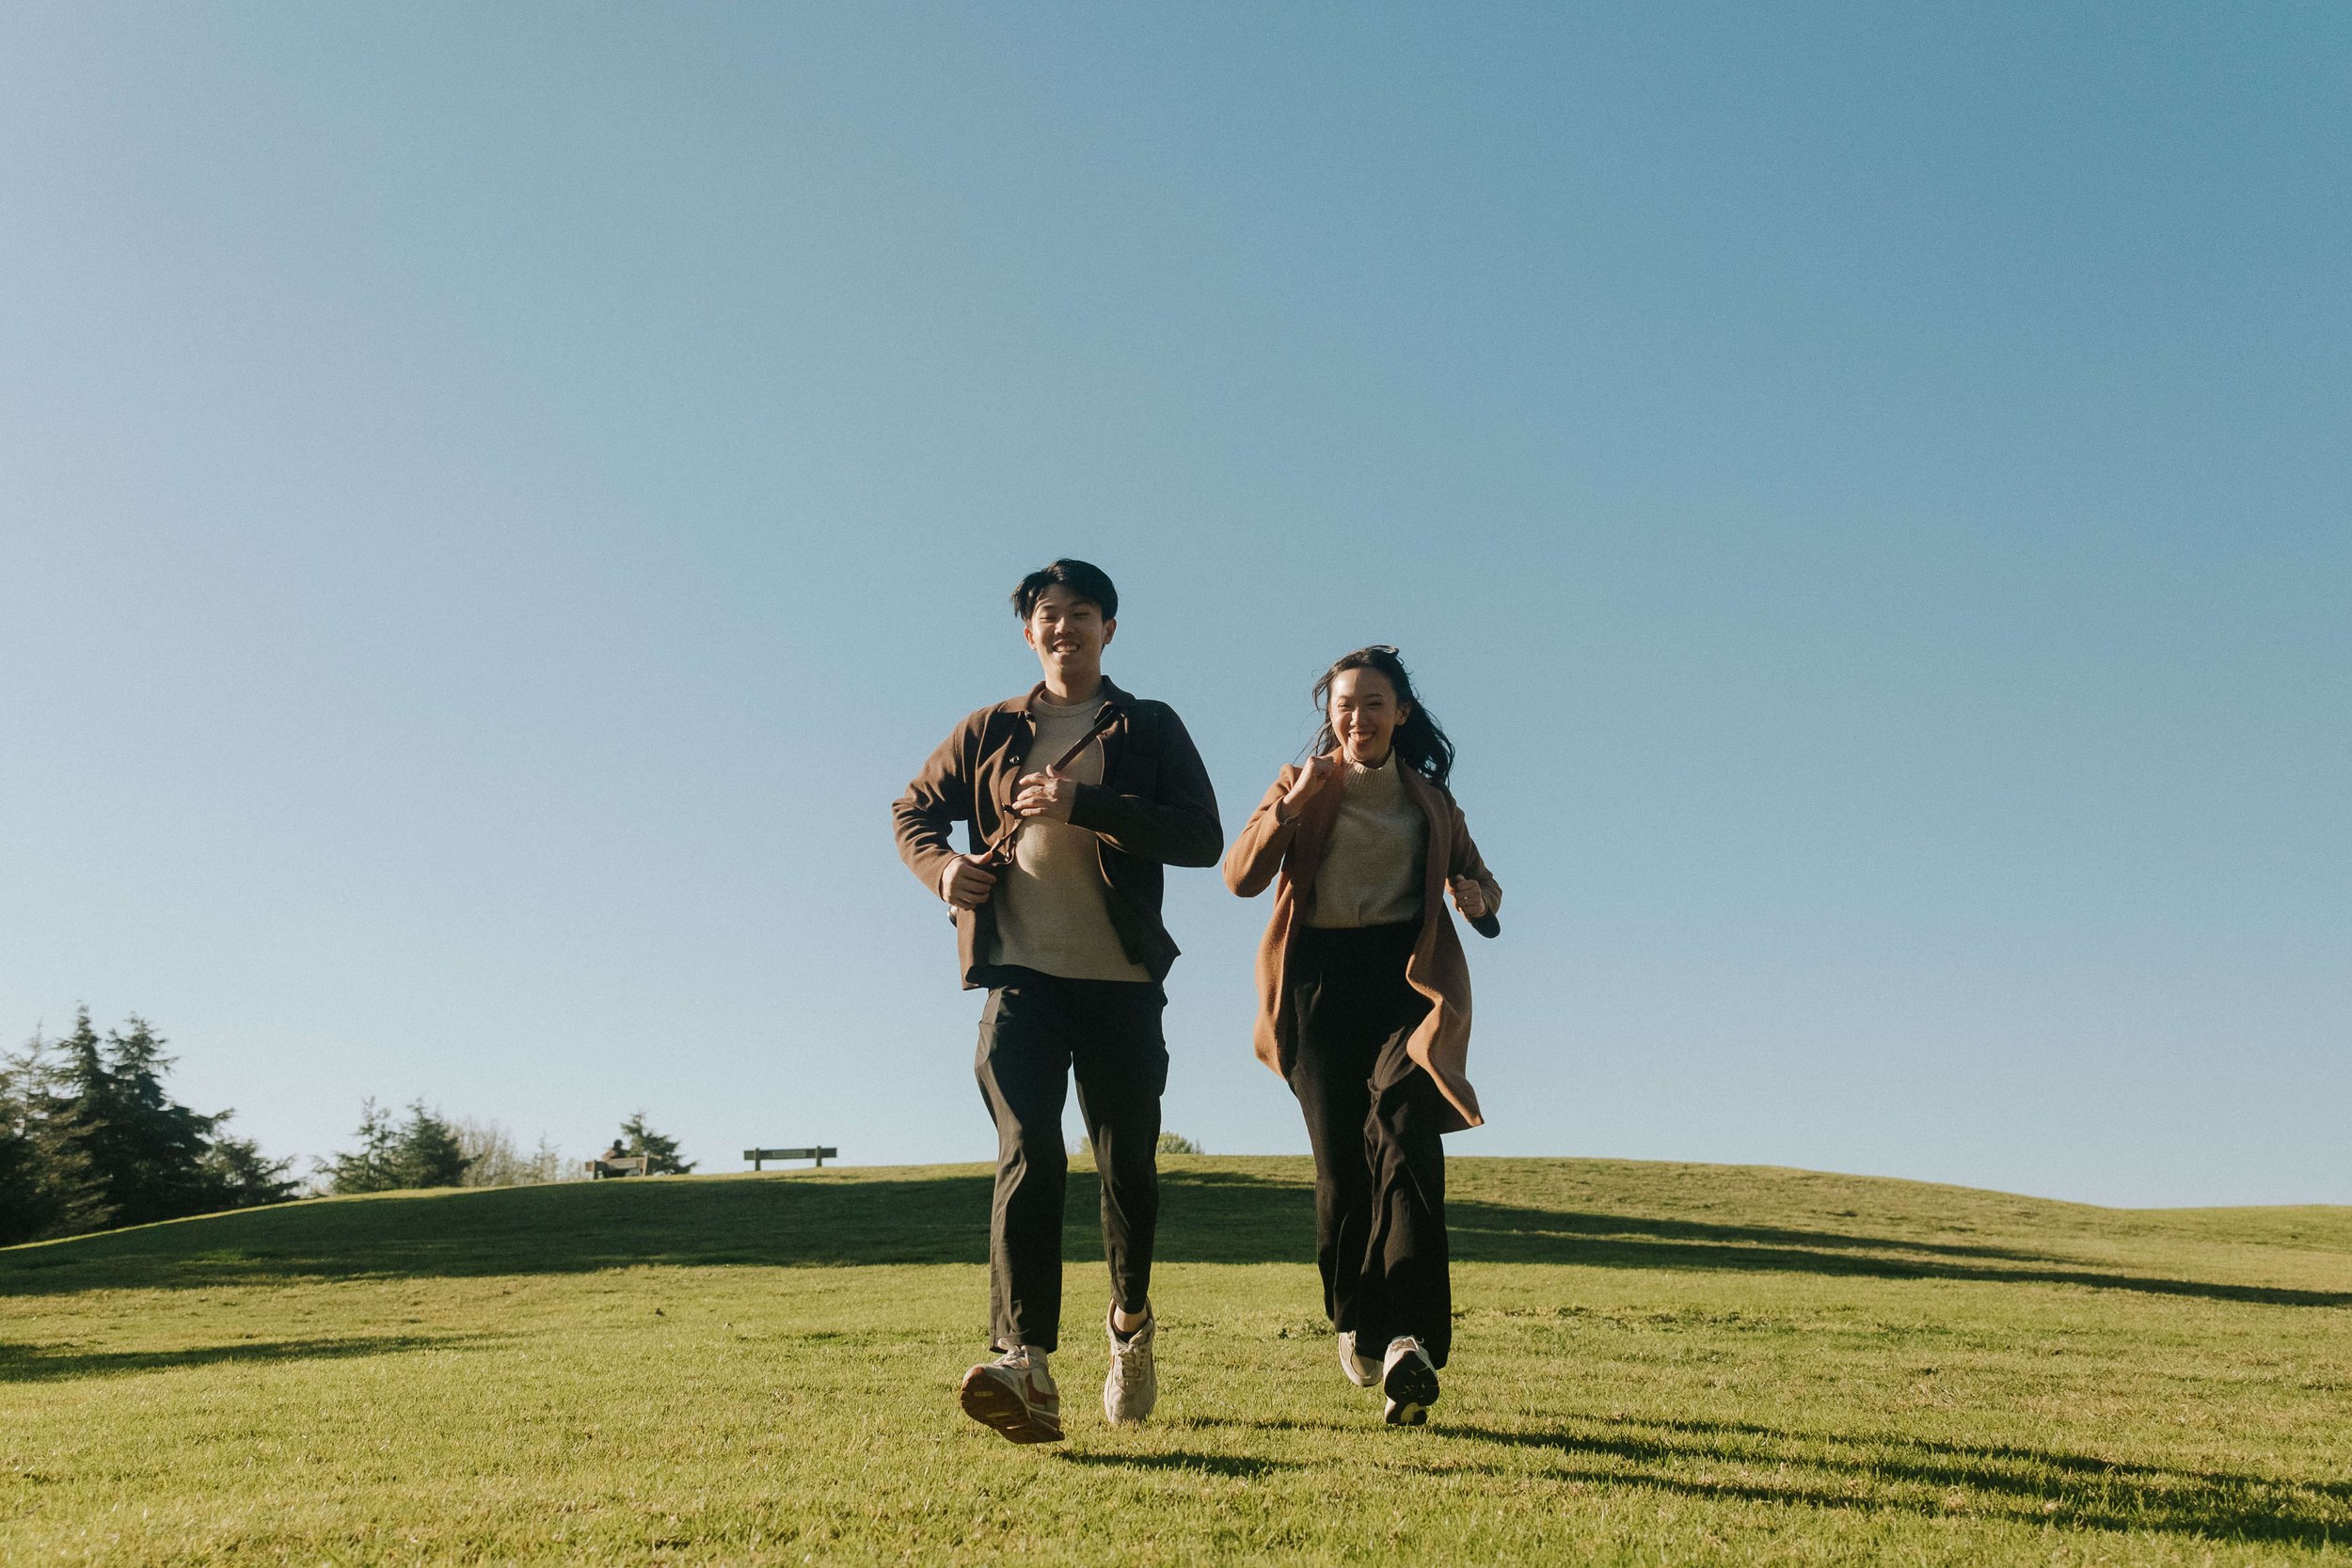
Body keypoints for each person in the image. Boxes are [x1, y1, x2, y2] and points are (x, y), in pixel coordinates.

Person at [892, 559, 1222, 1444]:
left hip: (1121, 983)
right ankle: (1024, 1360)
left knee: (1127, 1171)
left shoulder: (1150, 724)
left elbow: (1201, 836)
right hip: (1019, 978)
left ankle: (1129, 1323)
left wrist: (1087, 803)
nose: (1063, 626)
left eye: (1081, 613)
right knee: (1028, 1146)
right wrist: (944, 870)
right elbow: (913, 811)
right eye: (1048, 613)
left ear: (1109, 629)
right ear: (1028, 630)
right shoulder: (989, 728)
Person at [1223, 645, 1501, 1426]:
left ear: (1400, 713)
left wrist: (1478, 899)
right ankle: (1355, 1315)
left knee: (1408, 1136)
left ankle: (1409, 1338)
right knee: (1343, 1171)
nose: (1357, 717)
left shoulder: (1431, 801)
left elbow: (1483, 883)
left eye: (1374, 703)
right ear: (1330, 714)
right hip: (1317, 986)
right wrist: (1288, 806)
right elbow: (1239, 876)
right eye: (1344, 704)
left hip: (1404, 983)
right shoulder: (1301, 783)